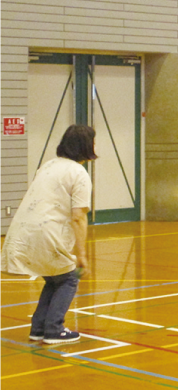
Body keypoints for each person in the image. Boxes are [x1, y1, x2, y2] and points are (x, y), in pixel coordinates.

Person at [0, 125, 96, 344]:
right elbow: (78, 217)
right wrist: (82, 255)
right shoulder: (78, 173)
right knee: (69, 278)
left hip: (22, 230)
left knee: (55, 278)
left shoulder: (48, 165)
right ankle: (54, 329)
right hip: (46, 233)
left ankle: (39, 327)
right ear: (85, 146)